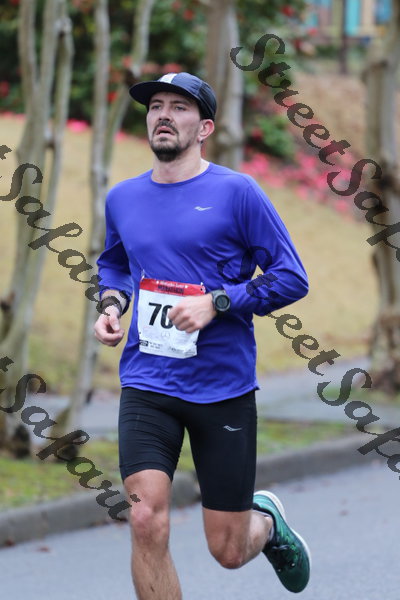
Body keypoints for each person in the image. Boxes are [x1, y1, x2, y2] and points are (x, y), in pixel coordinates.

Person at [94, 72, 311, 598]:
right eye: (156, 106)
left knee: (228, 550)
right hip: (148, 381)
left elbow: (290, 277)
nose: (164, 115)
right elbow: (115, 264)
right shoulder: (122, 198)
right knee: (144, 518)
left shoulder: (237, 193)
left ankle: (266, 522)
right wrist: (112, 303)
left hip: (222, 388)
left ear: (205, 127)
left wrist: (218, 303)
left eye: (179, 107)